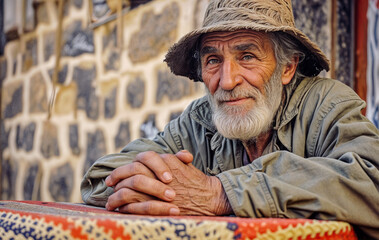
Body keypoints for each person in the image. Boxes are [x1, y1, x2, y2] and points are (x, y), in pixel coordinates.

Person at [81, 0, 379, 238]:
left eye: (247, 56)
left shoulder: (325, 104)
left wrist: (221, 193)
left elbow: (371, 182)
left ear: (287, 67)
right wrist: (160, 188)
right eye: (213, 60)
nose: (227, 81)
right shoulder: (198, 122)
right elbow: (100, 181)